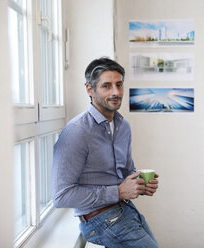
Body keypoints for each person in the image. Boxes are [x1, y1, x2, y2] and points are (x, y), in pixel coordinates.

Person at [51, 57, 160, 248]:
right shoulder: (76, 132)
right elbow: (61, 196)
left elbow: (126, 171)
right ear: (89, 89)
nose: (116, 92)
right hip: (98, 221)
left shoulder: (123, 126)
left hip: (126, 210)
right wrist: (118, 191)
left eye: (119, 85)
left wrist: (140, 184)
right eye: (107, 86)